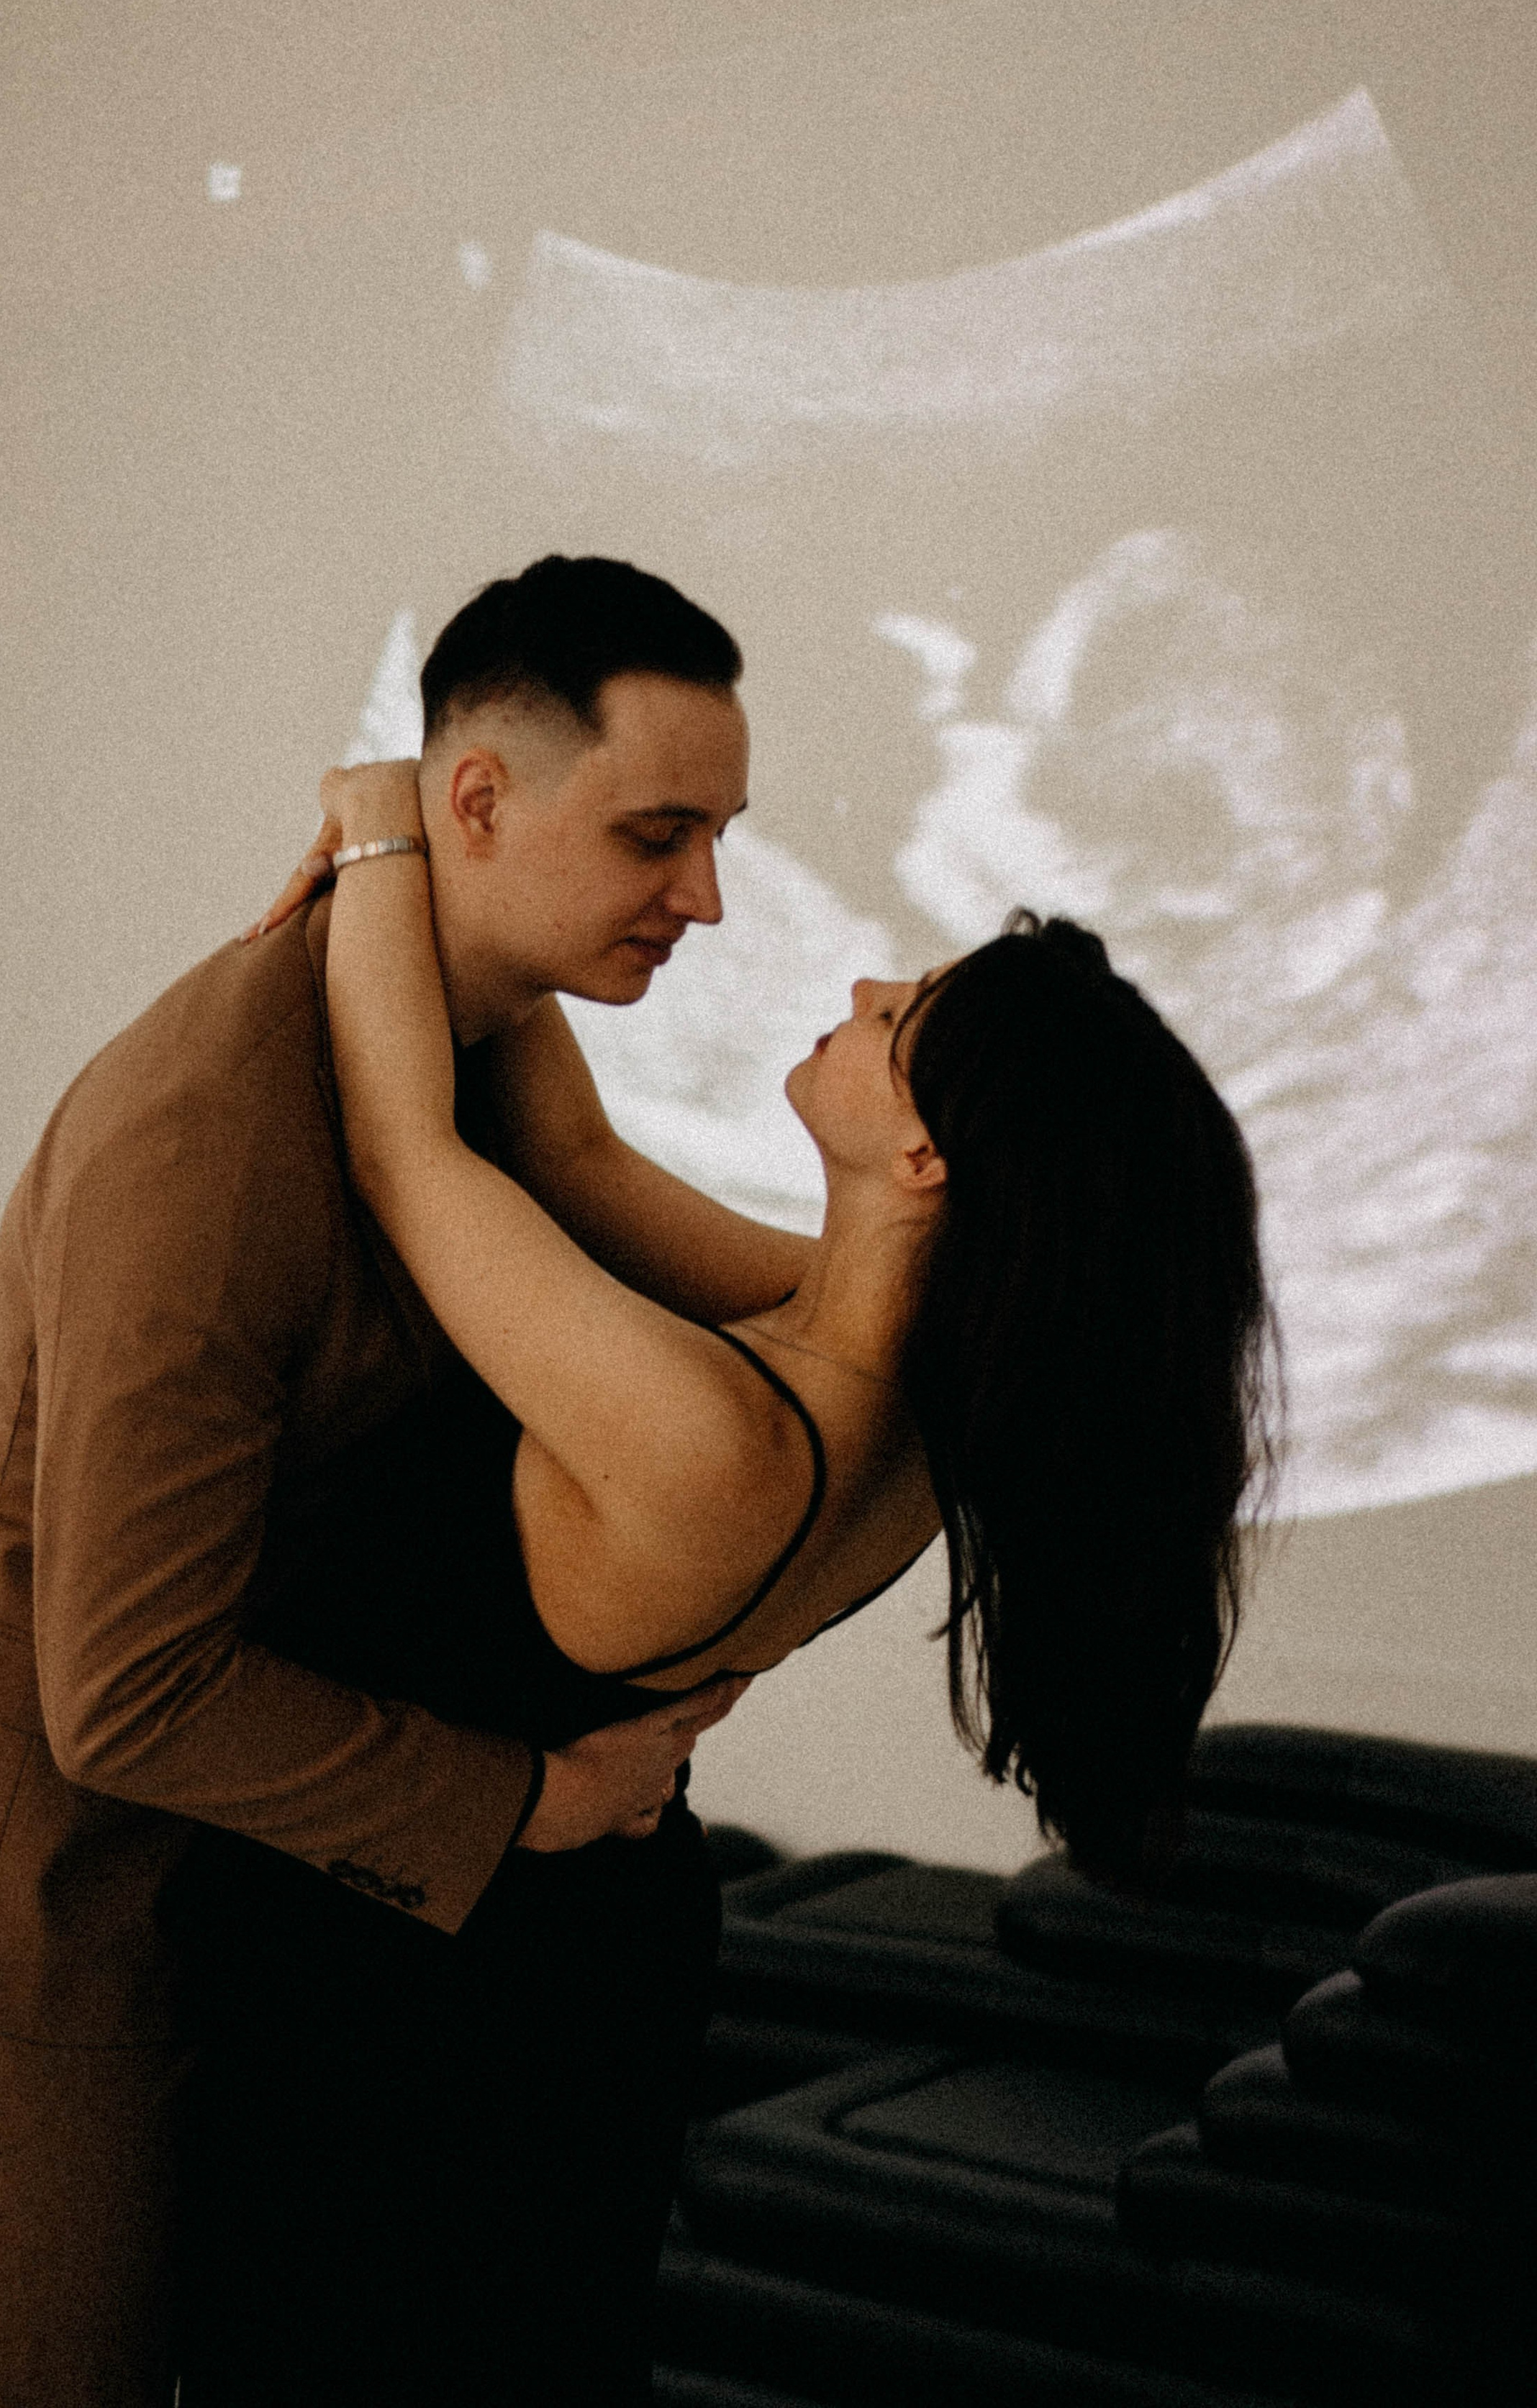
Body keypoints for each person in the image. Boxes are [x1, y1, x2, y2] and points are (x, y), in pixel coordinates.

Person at [0, 556, 804, 2408]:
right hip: (21, 1866)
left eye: (716, 834)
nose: (705, 897)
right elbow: (123, 1688)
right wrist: (533, 1804)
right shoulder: (214, 1136)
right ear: (472, 802)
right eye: (659, 833)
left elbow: (669, 1245)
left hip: (222, 1846)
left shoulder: (486, 1043)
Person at [175, 749, 1277, 2403]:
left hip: (431, 1993)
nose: (861, 980)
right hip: (570, 1945)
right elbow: (580, 1164)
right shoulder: (911, 1397)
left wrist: (383, 817)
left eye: (904, 1014)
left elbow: (411, 1156)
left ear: (925, 1162)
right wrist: (504, 891)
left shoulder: (717, 1440)